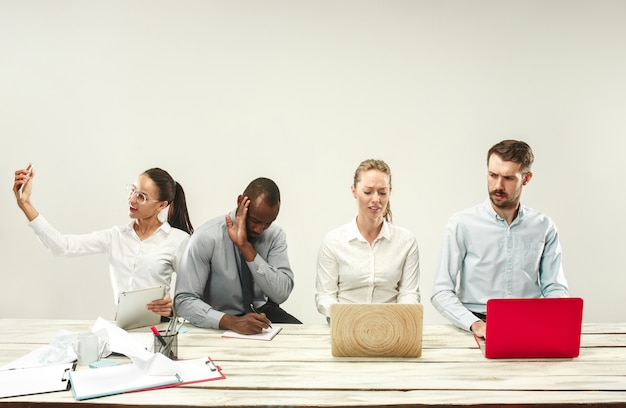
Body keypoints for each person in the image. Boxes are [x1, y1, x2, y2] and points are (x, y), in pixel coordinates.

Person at [13, 164, 193, 318]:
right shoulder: (115, 237)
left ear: (162, 205)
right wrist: (25, 203)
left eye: (142, 197)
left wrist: (172, 309)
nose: (131, 199)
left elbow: (193, 294)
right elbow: (63, 246)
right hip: (122, 328)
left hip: (160, 329)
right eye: (133, 191)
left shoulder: (178, 240)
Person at [431, 140, 569, 338]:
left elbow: (554, 286)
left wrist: (555, 319)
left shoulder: (544, 226)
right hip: (476, 324)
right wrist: (475, 325)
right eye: (492, 175)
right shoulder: (462, 223)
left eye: (508, 178)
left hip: (531, 322)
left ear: (526, 178)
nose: (498, 185)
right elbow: (441, 291)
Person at [174, 177, 301, 335]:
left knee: (308, 338)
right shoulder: (206, 237)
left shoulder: (275, 235)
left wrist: (245, 247)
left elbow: (281, 294)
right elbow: (183, 300)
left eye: (267, 223)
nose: (260, 229)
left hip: (262, 314)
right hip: (219, 316)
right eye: (255, 220)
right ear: (241, 201)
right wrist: (231, 322)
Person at [315, 159, 420, 320]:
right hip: (345, 326)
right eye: (368, 191)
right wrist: (353, 317)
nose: (376, 199)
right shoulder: (334, 241)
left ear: (390, 192)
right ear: (354, 191)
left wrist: (397, 319)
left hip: (391, 327)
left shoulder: (406, 241)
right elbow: (325, 296)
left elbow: (409, 294)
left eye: (382, 192)